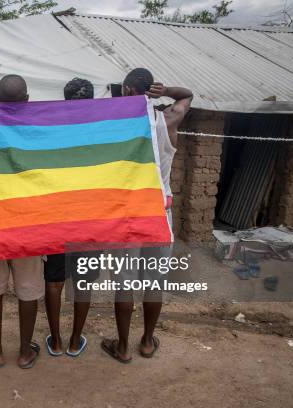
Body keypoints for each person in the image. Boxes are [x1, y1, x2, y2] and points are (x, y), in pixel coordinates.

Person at [101, 68, 193, 363]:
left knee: (124, 284)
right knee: (154, 283)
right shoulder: (167, 121)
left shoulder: (117, 129)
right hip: (159, 214)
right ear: (152, 91)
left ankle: (123, 346)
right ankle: (147, 342)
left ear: (127, 91)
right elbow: (187, 95)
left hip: (128, 216)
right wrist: (165, 91)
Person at [0, 74, 45, 369]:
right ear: (27, 100)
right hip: (29, 223)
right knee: (28, 289)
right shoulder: (39, 127)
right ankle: (26, 352)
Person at [44, 78, 97, 358]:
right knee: (84, 283)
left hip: (58, 218)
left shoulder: (52, 129)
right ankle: (76, 341)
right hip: (92, 219)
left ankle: (56, 341)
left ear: (64, 100)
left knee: (54, 282)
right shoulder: (103, 131)